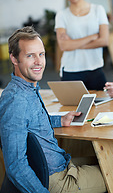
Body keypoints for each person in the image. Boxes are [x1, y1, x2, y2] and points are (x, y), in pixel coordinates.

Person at [0, 26, 106, 193]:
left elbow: (31, 123)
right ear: (14, 58)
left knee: (106, 160)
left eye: (41, 54)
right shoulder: (16, 100)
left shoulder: (28, 88)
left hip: (60, 164)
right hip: (54, 179)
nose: (39, 62)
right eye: (30, 56)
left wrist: (60, 120)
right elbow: (16, 167)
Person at [55, 0, 109, 90]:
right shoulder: (62, 15)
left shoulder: (98, 10)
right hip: (71, 70)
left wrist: (73, 44)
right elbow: (64, 45)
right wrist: (92, 37)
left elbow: (104, 41)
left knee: (103, 106)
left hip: (95, 68)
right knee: (72, 107)